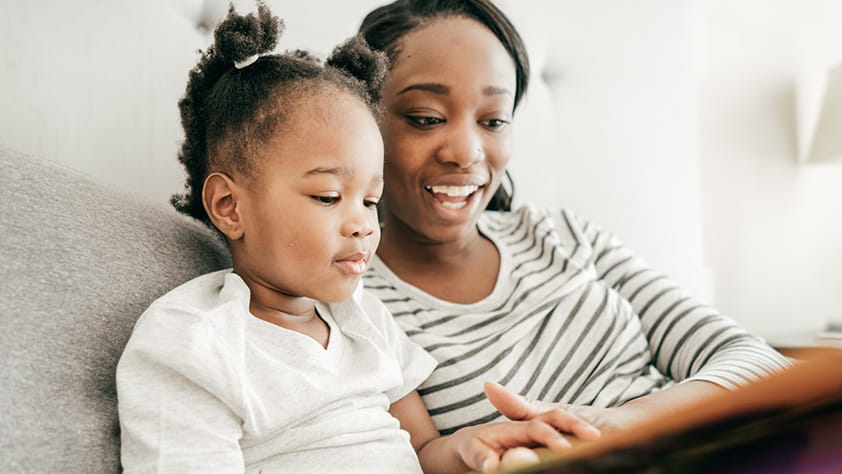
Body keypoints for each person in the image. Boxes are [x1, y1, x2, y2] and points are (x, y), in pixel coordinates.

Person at [115, 3, 601, 473]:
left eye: (370, 200)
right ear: (230, 207)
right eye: (329, 197)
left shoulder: (363, 317)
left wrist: (471, 447)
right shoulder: (193, 342)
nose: (364, 224)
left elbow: (424, 451)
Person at [358, 0, 791, 438]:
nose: (467, 152)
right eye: (426, 118)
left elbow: (757, 360)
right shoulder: (347, 300)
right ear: (361, 121)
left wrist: (630, 421)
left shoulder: (560, 235)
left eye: (493, 120)